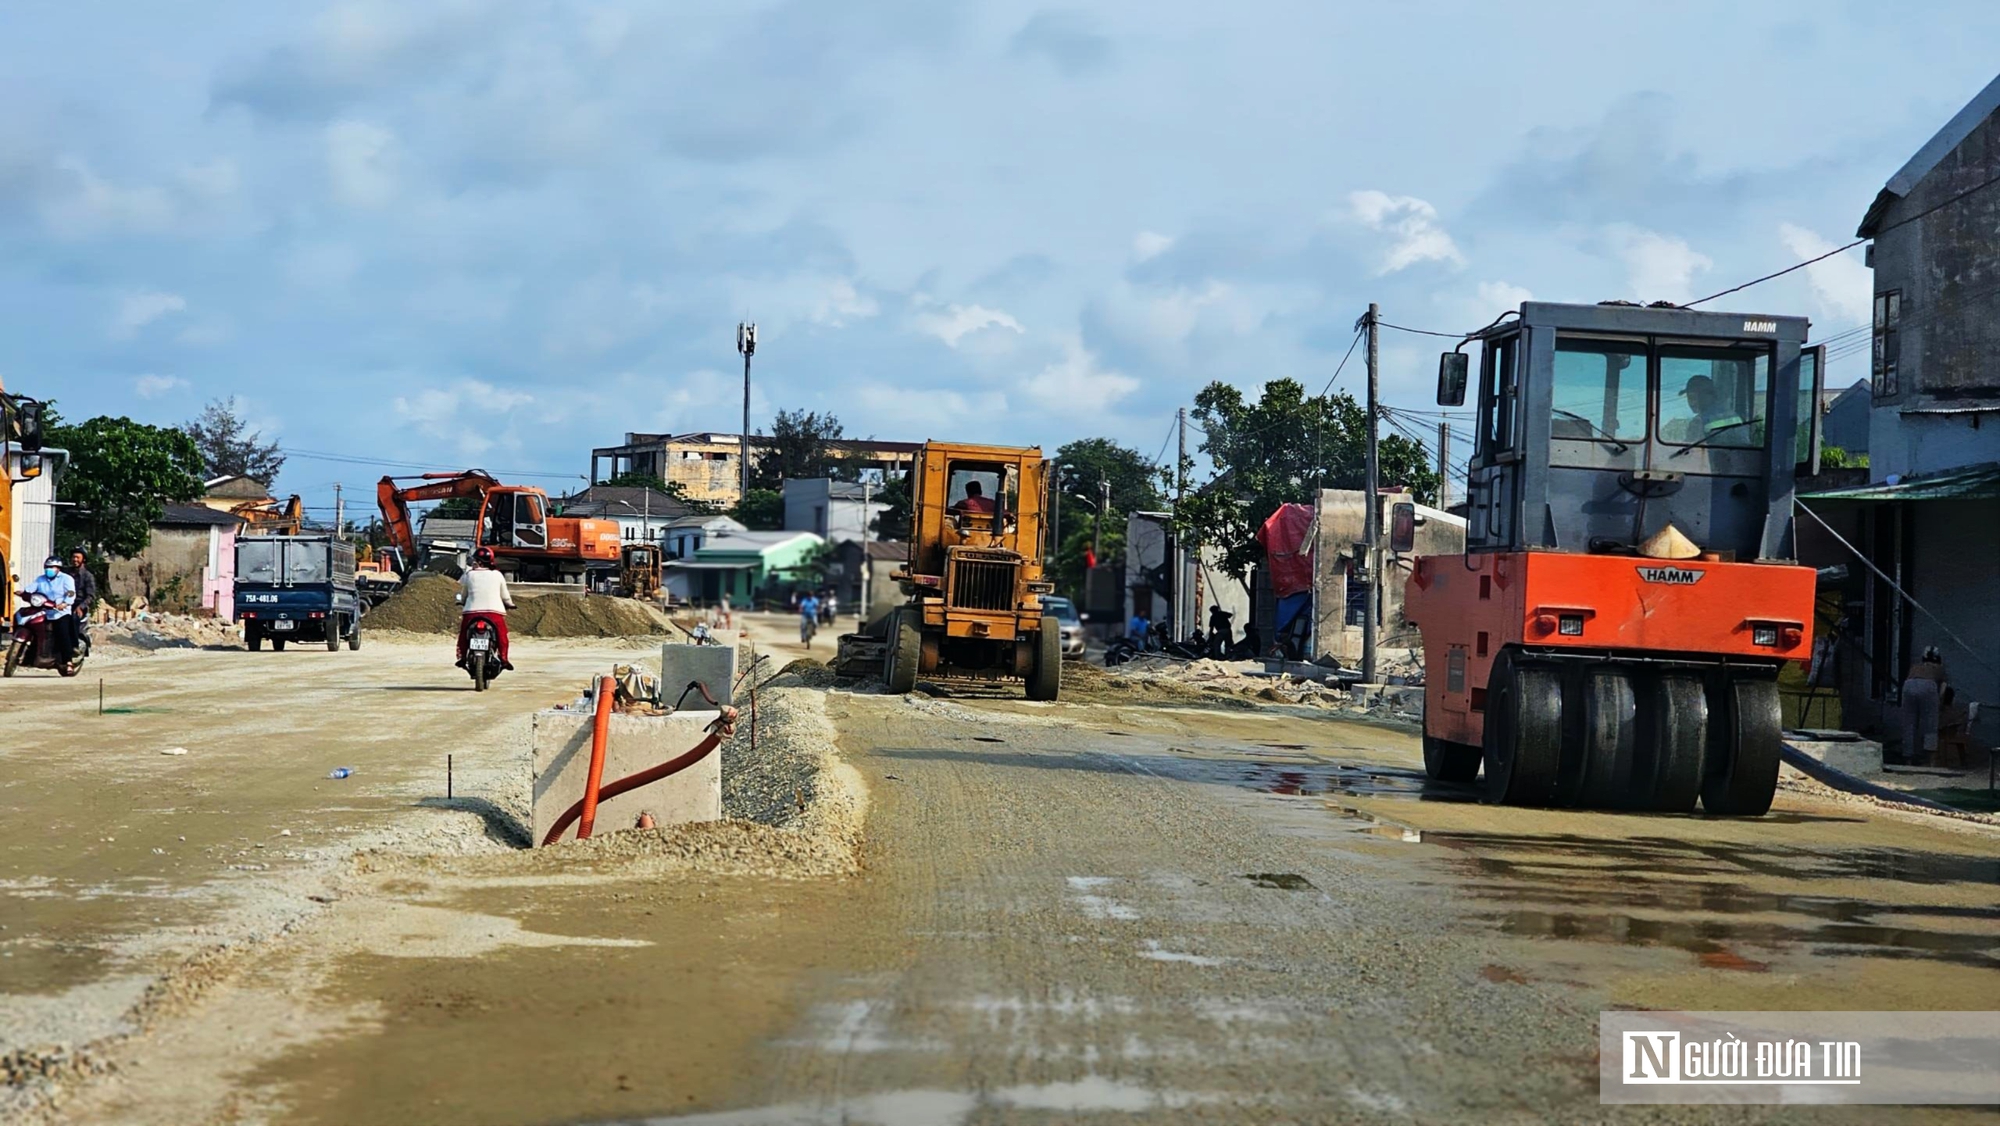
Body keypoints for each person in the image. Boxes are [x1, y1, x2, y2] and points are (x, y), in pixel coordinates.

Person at [455, 547, 516, 670]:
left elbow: (464, 594)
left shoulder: (470, 575)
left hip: (471, 613)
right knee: (502, 635)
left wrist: (461, 601)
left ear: (479, 561)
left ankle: (463, 657)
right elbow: (505, 596)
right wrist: (510, 604)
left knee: (464, 634)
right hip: (494, 613)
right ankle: (504, 659)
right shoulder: (497, 575)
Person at [23, 556, 78, 665]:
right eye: (47, 567)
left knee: (62, 633)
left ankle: (68, 661)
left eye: (52, 567)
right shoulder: (40, 579)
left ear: (58, 568)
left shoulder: (66, 579)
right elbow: (30, 589)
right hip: (44, 611)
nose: (49, 569)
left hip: (60, 612)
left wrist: (65, 603)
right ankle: (29, 658)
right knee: (32, 625)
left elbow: (71, 593)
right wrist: (23, 592)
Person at [1900, 646, 1947, 764]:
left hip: (1908, 685)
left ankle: (1908, 758)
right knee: (1930, 723)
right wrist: (1939, 701)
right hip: (1928, 685)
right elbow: (1943, 687)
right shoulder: (1939, 668)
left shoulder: (1915, 667)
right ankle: (1931, 759)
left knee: (1909, 723)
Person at [65, 548, 98, 621]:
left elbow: (90, 596)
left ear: (83, 559)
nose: (75, 559)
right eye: (73, 557)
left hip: (78, 605)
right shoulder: (65, 573)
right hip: (64, 605)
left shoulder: (88, 576)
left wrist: (81, 607)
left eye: (78, 557)